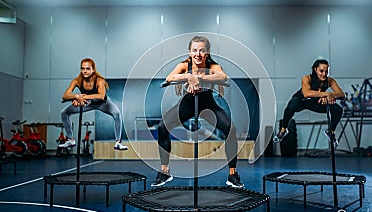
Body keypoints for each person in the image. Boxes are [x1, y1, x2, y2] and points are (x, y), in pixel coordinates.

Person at [151, 36, 244, 188]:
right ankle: (164, 172)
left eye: (202, 50)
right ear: (189, 52)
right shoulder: (184, 65)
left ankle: (232, 175)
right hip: (187, 104)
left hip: (208, 106)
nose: (198, 54)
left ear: (207, 53)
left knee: (231, 130)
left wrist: (198, 78)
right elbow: (170, 77)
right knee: (162, 127)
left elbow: (222, 76)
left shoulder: (212, 65)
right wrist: (189, 76)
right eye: (194, 50)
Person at [59, 58, 128, 151]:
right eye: (83, 68)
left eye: (88, 69)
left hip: (102, 104)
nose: (85, 71)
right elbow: (65, 96)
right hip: (88, 104)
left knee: (117, 114)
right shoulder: (77, 81)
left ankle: (118, 142)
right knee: (64, 113)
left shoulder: (100, 80)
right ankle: (71, 140)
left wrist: (82, 98)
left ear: (93, 69)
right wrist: (76, 96)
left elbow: (101, 96)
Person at [274, 59, 345, 146]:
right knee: (291, 105)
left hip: (315, 102)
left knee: (338, 109)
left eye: (326, 71)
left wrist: (330, 96)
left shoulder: (330, 81)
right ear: (315, 69)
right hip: (301, 101)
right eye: (321, 71)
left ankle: (331, 131)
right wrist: (326, 94)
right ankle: (283, 130)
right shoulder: (307, 78)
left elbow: (342, 94)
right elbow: (307, 93)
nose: (324, 74)